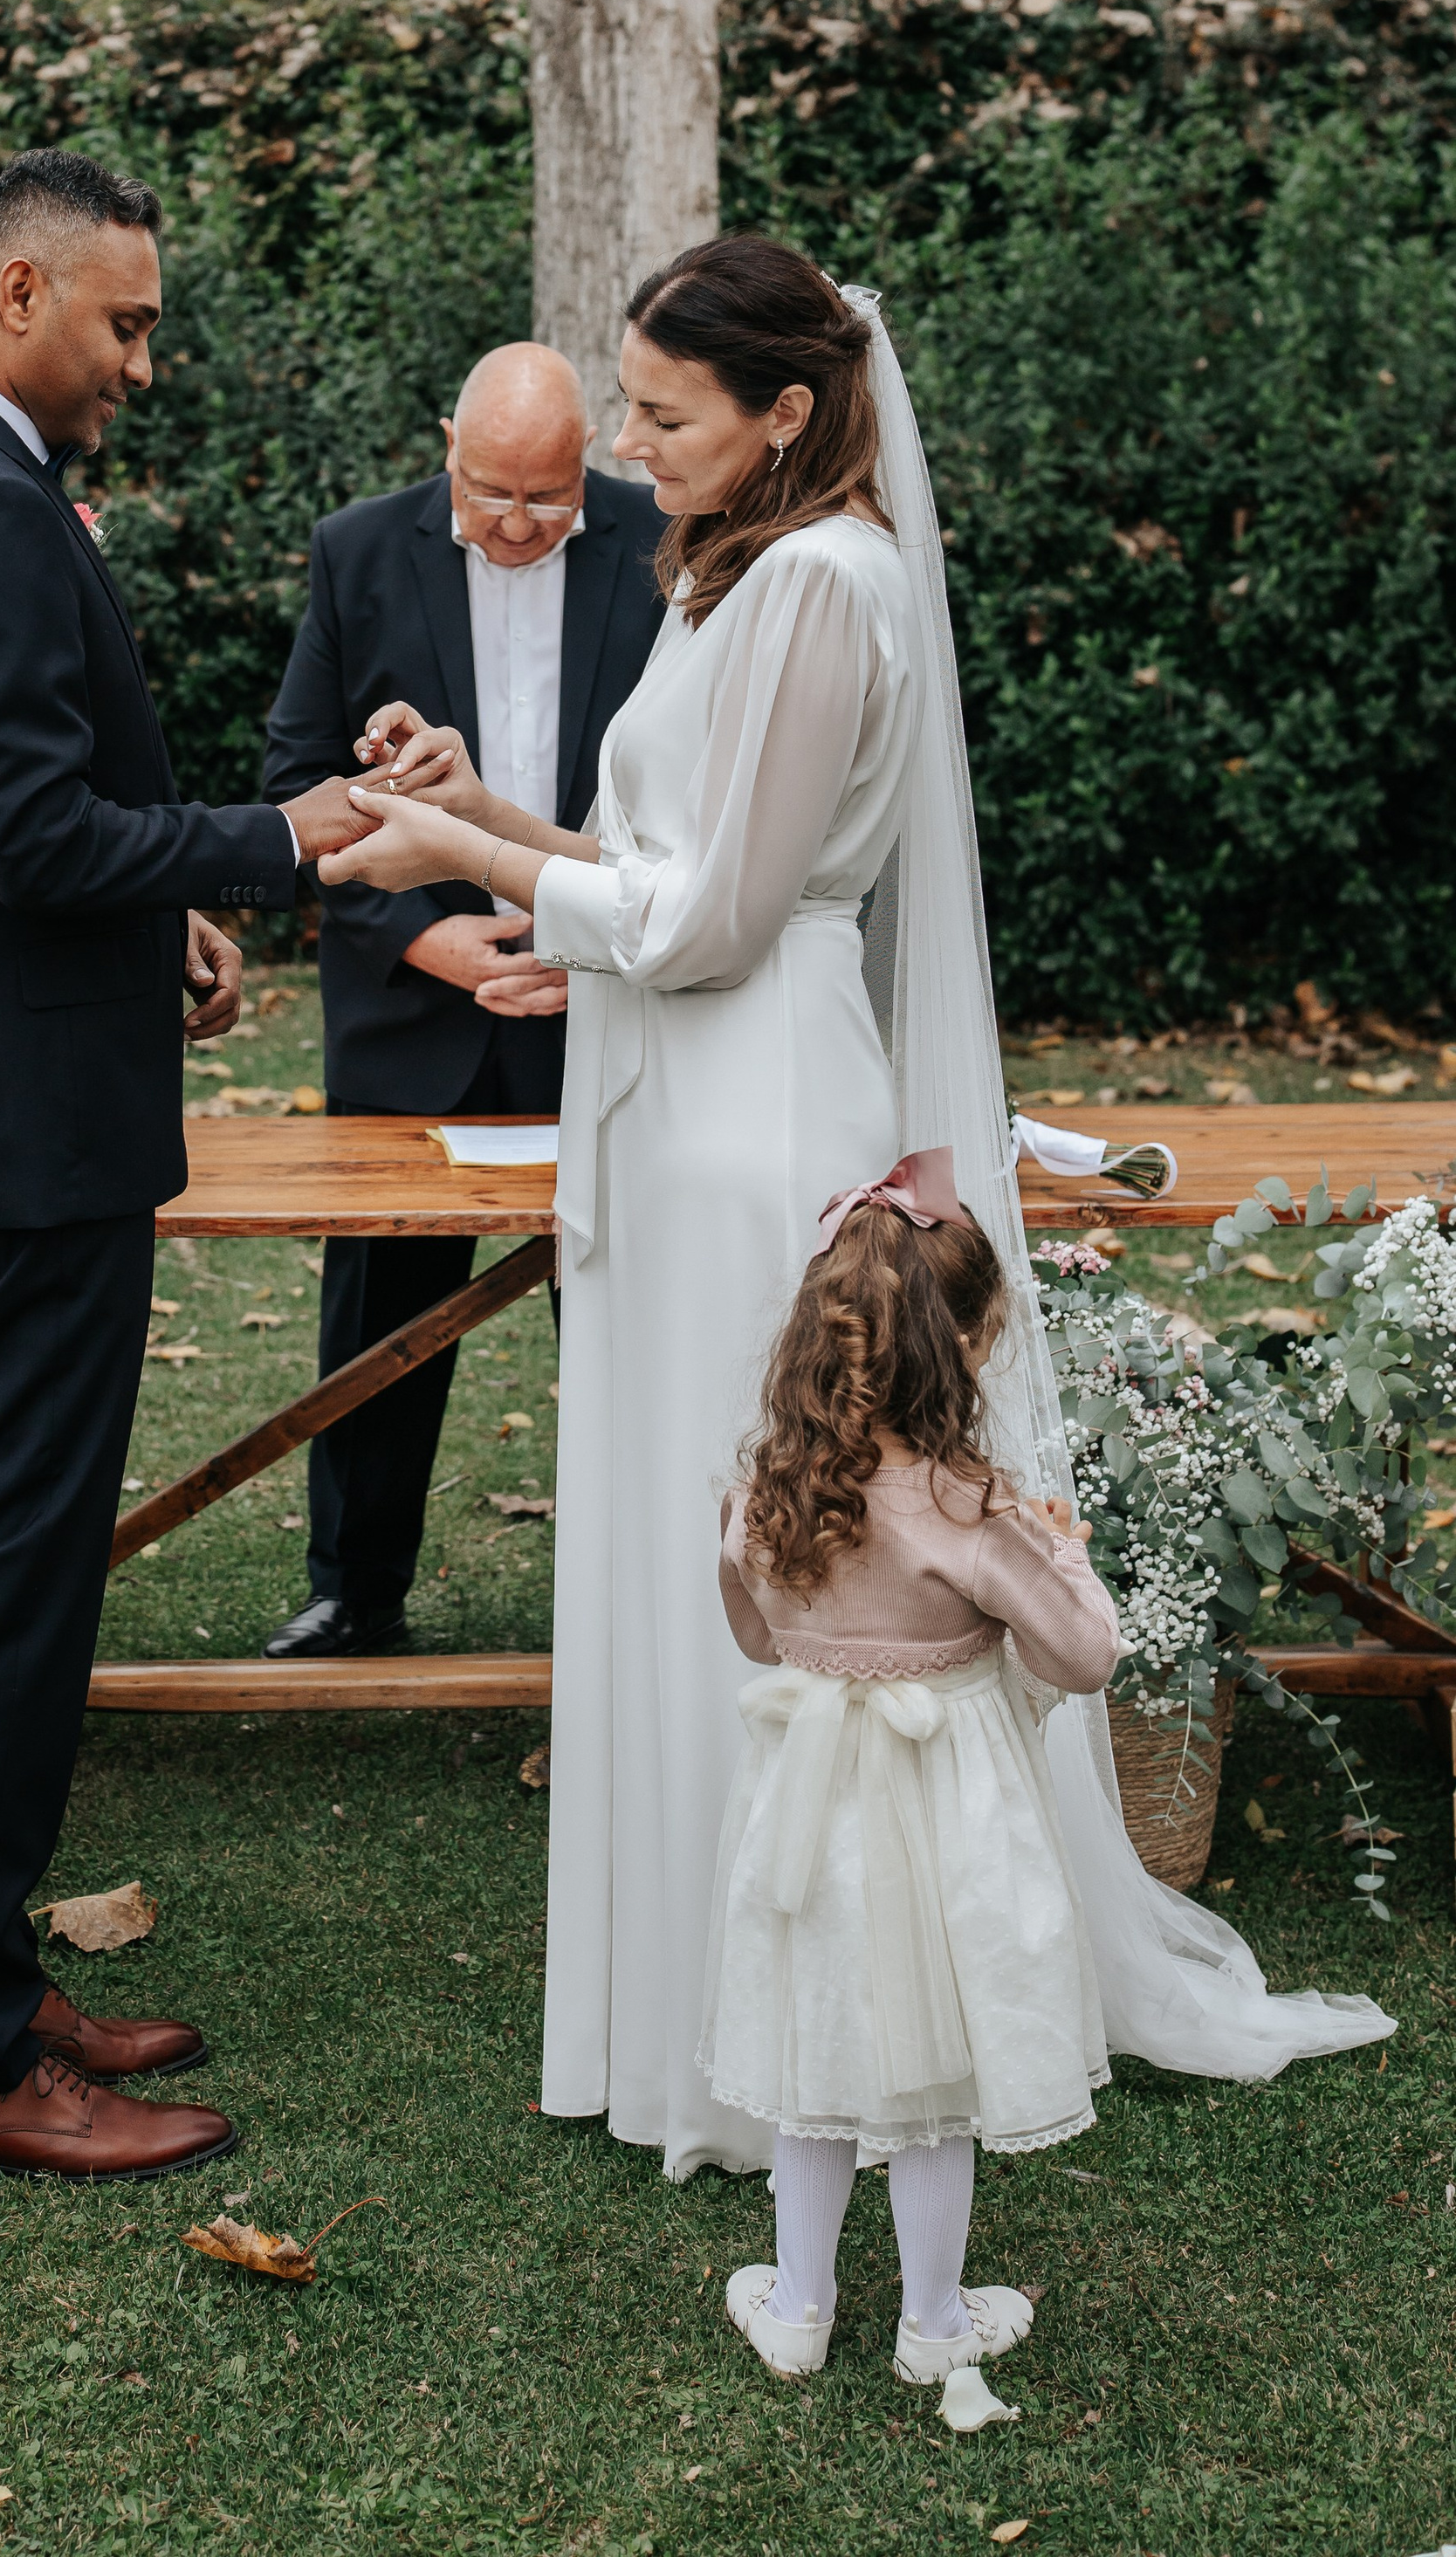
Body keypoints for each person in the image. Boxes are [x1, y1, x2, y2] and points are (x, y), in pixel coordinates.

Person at [317, 230, 1393, 2184]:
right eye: (631, 407)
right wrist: (471, 814)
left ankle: (793, 2053)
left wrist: (472, 861)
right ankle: (684, 2019)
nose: (632, 448)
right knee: (682, 1541)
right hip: (672, 1101)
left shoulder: (826, 581)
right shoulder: (732, 572)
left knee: (776, 1551)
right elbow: (651, 859)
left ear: (788, 412)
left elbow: (722, 920)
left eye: (667, 415)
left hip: (756, 1114)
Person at [0, 147, 364, 2183]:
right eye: (125, 324)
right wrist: (279, 839)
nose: (143, 363)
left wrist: (168, 924)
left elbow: (12, 827)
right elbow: (33, 834)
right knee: (8, 1575)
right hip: (22, 1132)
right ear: (20, 293)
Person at [258, 344, 663, 1659]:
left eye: (547, 497)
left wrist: (591, 938)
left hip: (605, 1009)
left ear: (588, 460)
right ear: (448, 445)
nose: (517, 523)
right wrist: (422, 941)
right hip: (412, 1016)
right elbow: (296, 779)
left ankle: (636, 1602)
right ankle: (353, 1589)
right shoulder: (357, 550)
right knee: (380, 1315)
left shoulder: (668, 548)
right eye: (490, 492)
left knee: (624, 1315)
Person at [705, 1153, 1119, 2397]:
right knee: (934, 2069)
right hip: (950, 1817)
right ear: (971, 1346)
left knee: (815, 2042)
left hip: (810, 1815)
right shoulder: (970, 1508)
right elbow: (1083, 1659)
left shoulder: (765, 1495)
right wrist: (1063, 1556)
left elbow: (756, 1640)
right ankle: (933, 2321)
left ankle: (799, 2305)